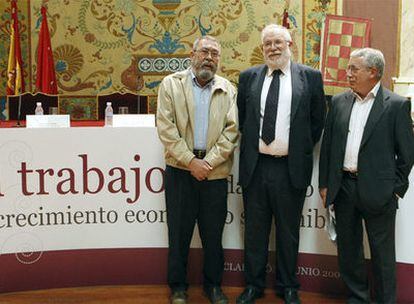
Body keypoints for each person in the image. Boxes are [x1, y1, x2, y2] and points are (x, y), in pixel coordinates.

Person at [236, 24, 326, 304]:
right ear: (262, 49)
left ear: (290, 45)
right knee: (255, 231)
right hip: (256, 167)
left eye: (278, 42)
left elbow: (317, 120)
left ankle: (289, 286)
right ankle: (254, 285)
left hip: (290, 169)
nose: (273, 48)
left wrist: (296, 148)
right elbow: (243, 117)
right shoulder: (248, 76)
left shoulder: (310, 77)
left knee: (288, 233)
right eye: (267, 44)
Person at [319, 48, 414, 303]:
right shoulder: (338, 102)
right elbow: (328, 146)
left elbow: (407, 154)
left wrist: (395, 189)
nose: (347, 73)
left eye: (354, 69)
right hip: (344, 189)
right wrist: (325, 183)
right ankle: (358, 298)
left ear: (373, 72)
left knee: (382, 254)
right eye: (348, 68)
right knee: (349, 251)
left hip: (379, 192)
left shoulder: (396, 105)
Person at [156, 35, 238, 304]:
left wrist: (209, 162)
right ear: (192, 54)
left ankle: (213, 286)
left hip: (214, 172)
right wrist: (191, 162)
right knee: (178, 233)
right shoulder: (171, 84)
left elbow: (231, 132)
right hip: (181, 170)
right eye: (205, 51)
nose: (209, 58)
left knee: (213, 234)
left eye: (215, 53)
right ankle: (178, 287)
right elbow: (166, 129)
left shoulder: (228, 88)